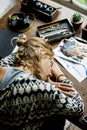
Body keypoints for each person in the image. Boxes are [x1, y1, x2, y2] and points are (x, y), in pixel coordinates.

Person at [0, 35, 84, 130]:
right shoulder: (38, 89)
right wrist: (60, 74)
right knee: (58, 117)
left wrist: (47, 80)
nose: (50, 73)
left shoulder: (4, 64)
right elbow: (78, 108)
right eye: (51, 63)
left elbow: (15, 56)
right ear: (41, 53)